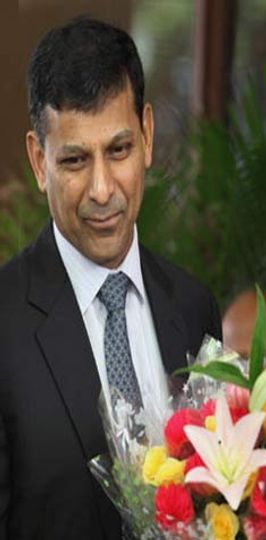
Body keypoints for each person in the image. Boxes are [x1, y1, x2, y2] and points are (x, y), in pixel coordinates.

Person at [0, 18, 221, 539]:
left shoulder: (194, 307)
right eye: (75, 160)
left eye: (119, 150)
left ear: (147, 136)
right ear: (39, 161)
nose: (102, 189)